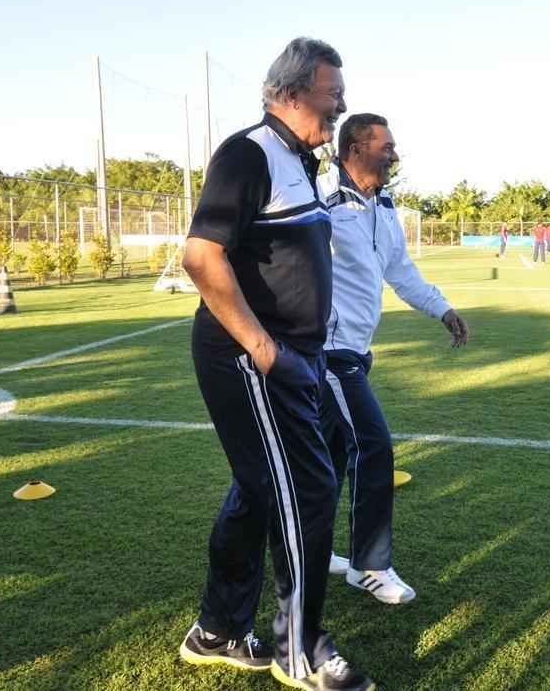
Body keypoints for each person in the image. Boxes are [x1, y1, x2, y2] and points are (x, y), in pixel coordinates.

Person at [179, 37, 375, 691]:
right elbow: (202, 258)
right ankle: (302, 648)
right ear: (290, 94)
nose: (340, 106)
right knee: (307, 487)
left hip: (299, 357)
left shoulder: (301, 163)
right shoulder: (248, 153)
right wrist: (268, 352)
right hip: (250, 357)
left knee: (288, 473)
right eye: (332, 95)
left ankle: (218, 627)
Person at [318, 113, 469, 605]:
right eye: (387, 147)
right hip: (328, 353)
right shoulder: (323, 202)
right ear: (355, 148)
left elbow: (400, 271)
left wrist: (441, 308)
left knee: (325, 462)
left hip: (358, 353)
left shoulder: (383, 204)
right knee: (374, 445)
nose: (394, 155)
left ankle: (310, 550)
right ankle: (369, 565)